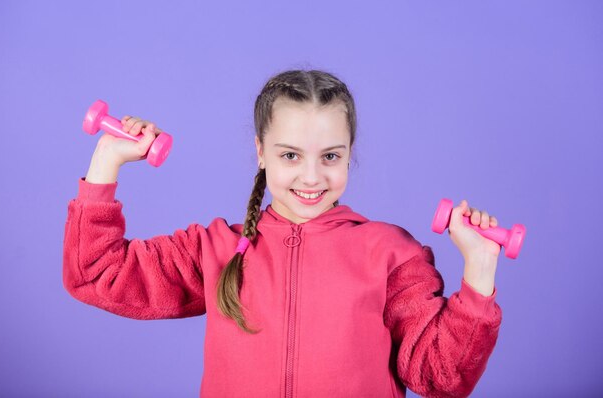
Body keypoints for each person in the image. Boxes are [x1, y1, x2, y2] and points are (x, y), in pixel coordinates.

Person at [63, 69, 502, 398]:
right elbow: (96, 273)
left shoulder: (391, 253)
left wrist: (479, 273)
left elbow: (442, 377)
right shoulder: (214, 249)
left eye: (330, 155)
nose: (311, 177)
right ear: (260, 151)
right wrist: (108, 158)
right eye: (290, 154)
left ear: (350, 154)